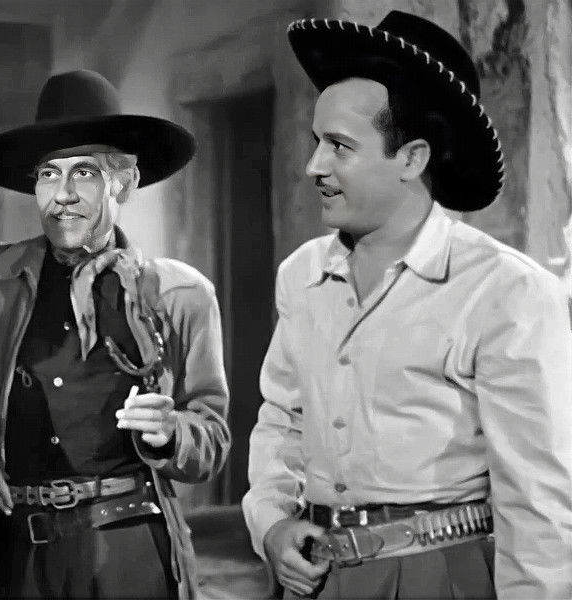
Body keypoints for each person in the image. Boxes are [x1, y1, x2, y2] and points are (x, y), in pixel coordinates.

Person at [242, 11, 572, 600]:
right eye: (316, 143)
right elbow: (283, 420)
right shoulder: (302, 276)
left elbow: (539, 506)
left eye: (339, 147)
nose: (314, 166)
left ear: (413, 158)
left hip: (439, 576)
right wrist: (271, 523)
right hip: (315, 579)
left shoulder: (505, 293)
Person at [0, 69, 230, 599]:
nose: (63, 195)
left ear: (125, 183)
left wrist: (171, 432)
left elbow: (212, 439)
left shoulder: (180, 295)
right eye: (48, 174)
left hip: (128, 549)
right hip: (12, 552)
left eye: (84, 173)